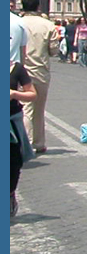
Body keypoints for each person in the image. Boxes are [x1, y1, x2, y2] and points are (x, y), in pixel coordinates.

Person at [18, 0, 60, 155]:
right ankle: (38, 142)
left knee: (26, 108)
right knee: (39, 108)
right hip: (41, 70)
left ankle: (25, 142)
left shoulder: (18, 23)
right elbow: (53, 50)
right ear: (38, 6)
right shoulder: (48, 25)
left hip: (21, 71)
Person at [10, 58, 37, 217]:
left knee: (14, 162)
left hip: (11, 121)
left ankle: (10, 192)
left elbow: (32, 94)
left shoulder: (17, 69)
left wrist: (14, 94)